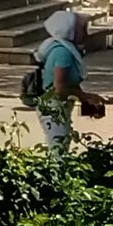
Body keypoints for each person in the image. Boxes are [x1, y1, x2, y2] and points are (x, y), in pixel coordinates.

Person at [28, 8, 86, 154]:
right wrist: (86, 97)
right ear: (69, 30)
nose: (86, 33)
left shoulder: (61, 48)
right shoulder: (63, 52)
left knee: (60, 144)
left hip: (57, 105)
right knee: (58, 151)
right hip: (53, 107)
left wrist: (87, 101)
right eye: (82, 29)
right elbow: (60, 87)